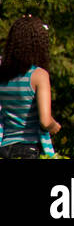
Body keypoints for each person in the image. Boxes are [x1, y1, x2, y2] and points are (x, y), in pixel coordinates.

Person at [0, 15, 59, 159]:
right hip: (29, 149)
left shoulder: (3, 74)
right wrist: (55, 126)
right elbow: (45, 121)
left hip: (4, 148)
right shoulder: (39, 75)